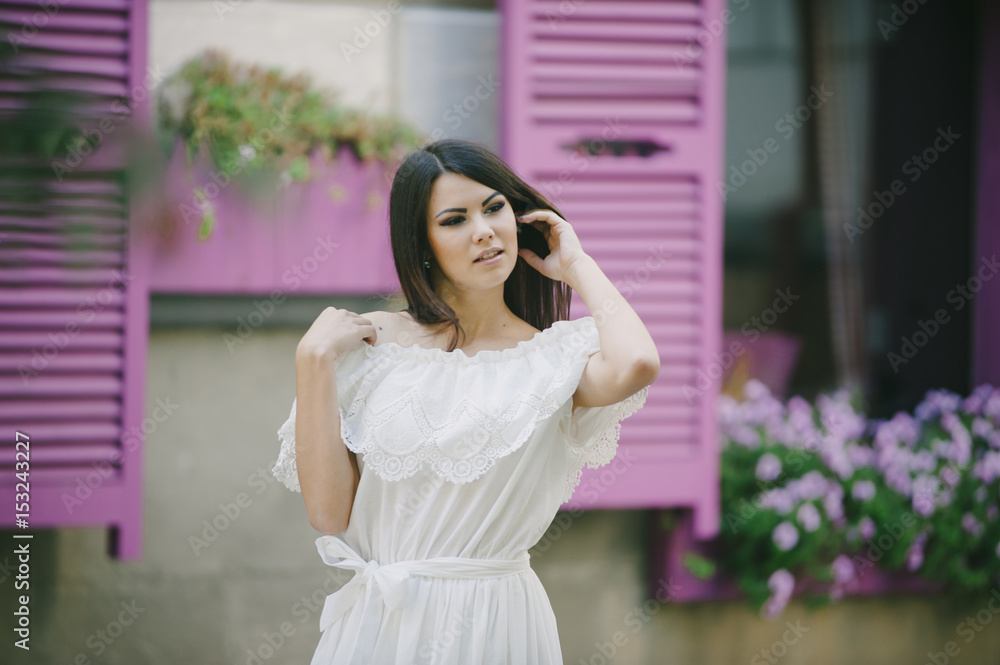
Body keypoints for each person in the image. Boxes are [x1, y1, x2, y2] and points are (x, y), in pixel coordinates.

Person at [271, 138, 659, 664]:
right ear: (422, 242)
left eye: (494, 208)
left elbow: (638, 363)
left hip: (496, 625)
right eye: (454, 220)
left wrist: (577, 264)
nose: (484, 230)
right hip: (382, 621)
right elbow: (327, 512)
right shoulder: (369, 345)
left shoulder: (551, 359)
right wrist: (311, 360)